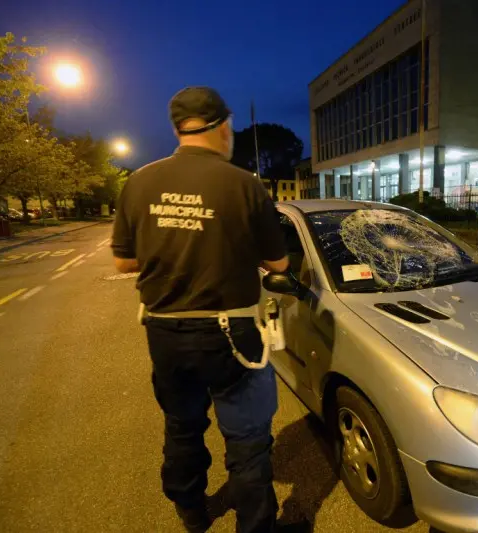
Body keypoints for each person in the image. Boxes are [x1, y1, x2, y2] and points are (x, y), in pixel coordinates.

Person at [111, 86, 307, 533]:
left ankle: (191, 510)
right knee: (248, 438)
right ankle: (256, 525)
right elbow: (277, 264)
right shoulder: (243, 184)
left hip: (164, 332)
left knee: (182, 423)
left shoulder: (139, 182)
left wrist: (174, 246)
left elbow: (123, 260)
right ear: (221, 126)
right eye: (230, 127)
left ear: (178, 128)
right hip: (231, 332)